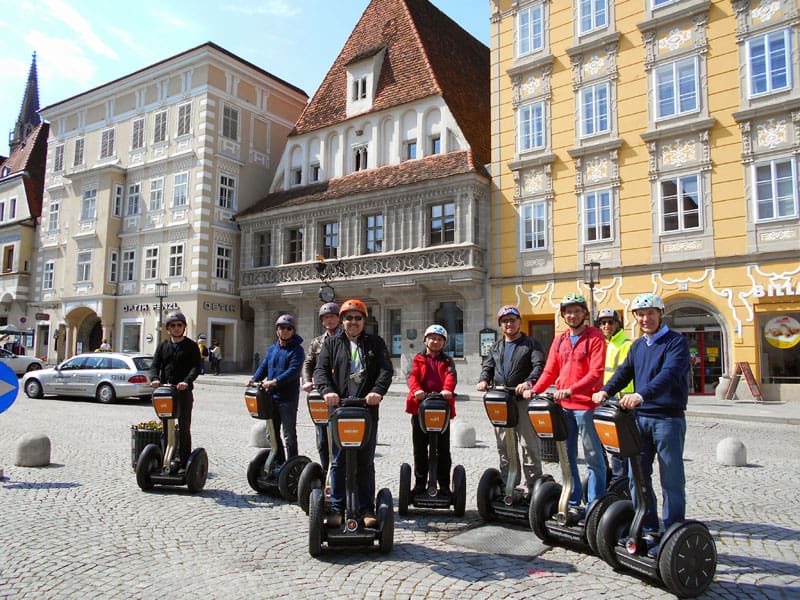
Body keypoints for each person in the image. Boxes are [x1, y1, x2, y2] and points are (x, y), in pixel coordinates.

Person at [593, 293, 691, 552]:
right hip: (640, 418)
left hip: (668, 418)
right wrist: (605, 390)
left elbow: (669, 375)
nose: (645, 319)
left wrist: (642, 394)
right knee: (638, 477)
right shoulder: (638, 346)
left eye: (650, 313)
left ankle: (672, 532)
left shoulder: (676, 343)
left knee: (671, 478)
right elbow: (625, 372)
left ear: (661, 314)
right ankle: (648, 528)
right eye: (640, 315)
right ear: (635, 318)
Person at [313, 299, 393, 528]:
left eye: (358, 318)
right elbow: (320, 371)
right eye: (348, 317)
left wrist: (377, 391)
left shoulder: (375, 343)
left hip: (366, 410)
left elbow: (386, 371)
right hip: (339, 409)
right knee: (337, 461)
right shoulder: (331, 343)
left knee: (365, 460)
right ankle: (338, 507)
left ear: (364, 321)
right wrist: (327, 391)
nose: (353, 322)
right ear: (342, 320)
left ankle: (367, 508)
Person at [525, 293, 607, 512]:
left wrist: (571, 389)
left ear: (584, 314)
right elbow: (550, 370)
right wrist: (535, 390)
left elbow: (595, 372)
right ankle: (573, 499)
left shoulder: (595, 336)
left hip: (586, 407)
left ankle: (594, 504)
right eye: (568, 311)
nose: (572, 315)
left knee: (593, 456)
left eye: (577, 311)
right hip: (564, 408)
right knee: (567, 456)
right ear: (563, 314)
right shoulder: (560, 339)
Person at [476, 305, 545, 496]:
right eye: (505, 321)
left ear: (519, 322)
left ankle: (533, 486)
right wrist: (483, 380)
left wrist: (529, 382)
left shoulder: (531, 343)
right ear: (500, 324)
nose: (509, 324)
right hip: (501, 401)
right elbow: (488, 366)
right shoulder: (496, 347)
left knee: (528, 443)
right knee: (504, 444)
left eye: (512, 320)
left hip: (522, 400)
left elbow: (538, 365)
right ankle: (509, 483)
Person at [406, 324, 458, 495]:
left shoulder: (447, 360)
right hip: (420, 407)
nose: (435, 342)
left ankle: (443, 485)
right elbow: (412, 376)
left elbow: (451, 376)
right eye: (432, 338)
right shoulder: (418, 358)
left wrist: (447, 390)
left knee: (443, 450)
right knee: (420, 449)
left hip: (441, 409)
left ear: (444, 343)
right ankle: (420, 483)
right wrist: (416, 391)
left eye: (439, 339)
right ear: (426, 340)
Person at [248, 314, 305, 464]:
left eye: (288, 328)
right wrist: (254, 379)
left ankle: (292, 464)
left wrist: (274, 382)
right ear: (277, 330)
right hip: (271, 397)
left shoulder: (297, 350)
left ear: (293, 331)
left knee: (289, 435)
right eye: (281, 328)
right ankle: (279, 462)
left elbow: (293, 371)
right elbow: (264, 366)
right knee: (270, 434)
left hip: (287, 399)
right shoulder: (272, 349)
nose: (285, 331)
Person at [149, 311, 202, 471]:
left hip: (183, 393)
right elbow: (154, 365)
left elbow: (196, 368)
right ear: (168, 329)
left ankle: (184, 462)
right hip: (165, 393)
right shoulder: (163, 346)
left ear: (184, 327)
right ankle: (167, 459)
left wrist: (186, 382)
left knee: (184, 427)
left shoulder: (191, 346)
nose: (177, 328)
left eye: (180, 325)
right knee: (167, 427)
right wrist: (154, 379)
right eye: (173, 325)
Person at [301, 302, 341, 472]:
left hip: (340, 394)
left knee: (338, 436)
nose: (329, 320)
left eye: (332, 316)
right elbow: (308, 363)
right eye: (326, 318)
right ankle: (326, 472)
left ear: (339, 318)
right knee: (322, 438)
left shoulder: (346, 339)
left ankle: (339, 472)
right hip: (320, 393)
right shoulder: (317, 342)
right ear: (322, 321)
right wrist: (307, 380)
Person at [597, 308, 633, 486]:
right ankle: (609, 476)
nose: (606, 325)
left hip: (620, 400)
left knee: (617, 445)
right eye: (603, 322)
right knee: (602, 442)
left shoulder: (626, 344)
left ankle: (620, 481)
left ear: (618, 324)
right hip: (603, 399)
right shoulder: (602, 344)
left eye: (610, 322)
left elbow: (625, 373)